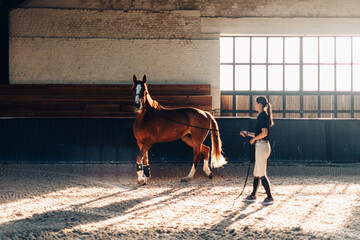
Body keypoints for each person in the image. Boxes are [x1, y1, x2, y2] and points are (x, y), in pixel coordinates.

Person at [240, 96, 274, 203]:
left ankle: (269, 197)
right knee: (257, 172)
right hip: (262, 146)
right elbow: (260, 133)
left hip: (261, 147)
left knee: (262, 173)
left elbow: (264, 133)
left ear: (260, 104)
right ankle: (253, 195)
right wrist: (247, 133)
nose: (254, 105)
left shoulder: (262, 116)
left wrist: (254, 139)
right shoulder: (263, 116)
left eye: (255, 103)